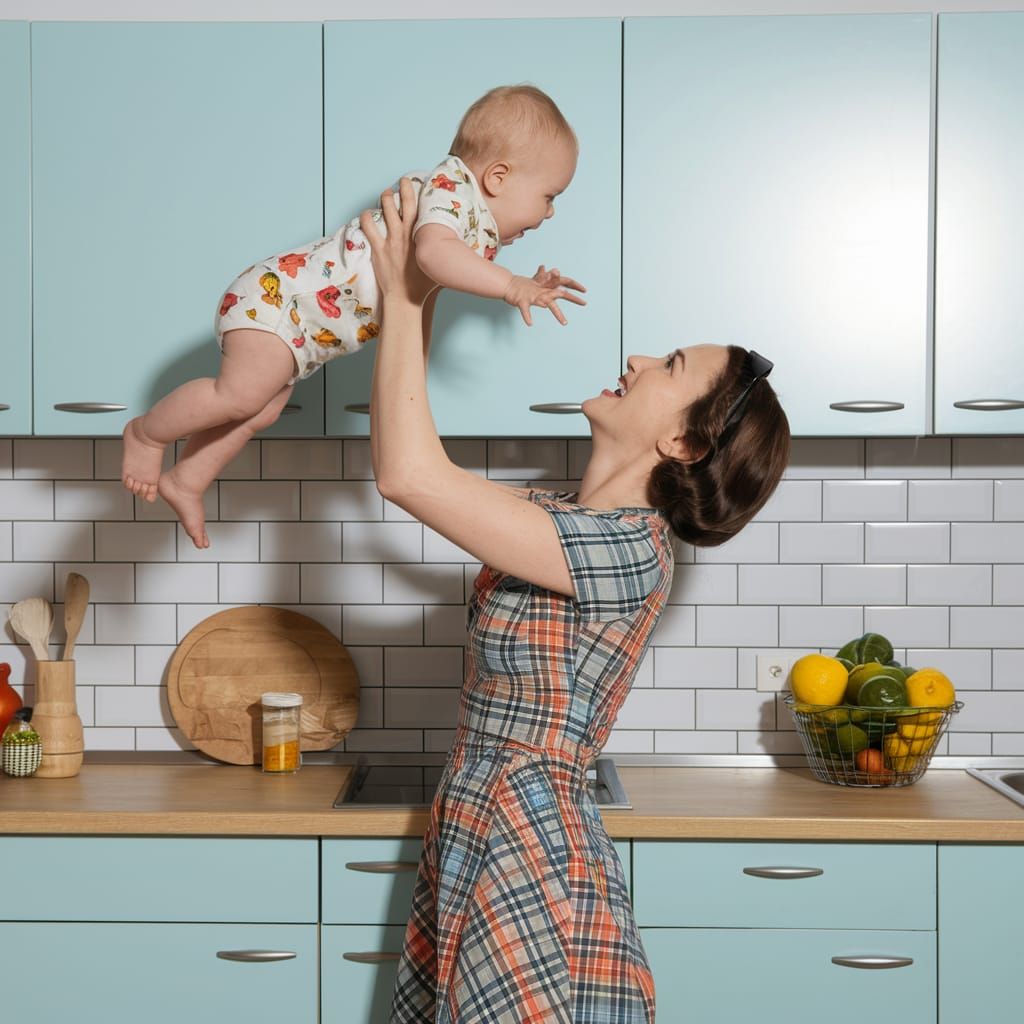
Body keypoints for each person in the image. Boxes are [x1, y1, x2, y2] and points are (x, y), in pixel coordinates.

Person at [362, 179, 791, 1023]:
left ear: (682, 441)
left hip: (528, 834)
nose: (635, 359)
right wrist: (420, 287)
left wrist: (405, 295)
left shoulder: (632, 551)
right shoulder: (558, 515)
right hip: (481, 818)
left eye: (667, 367)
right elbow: (426, 467)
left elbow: (406, 476)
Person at [120, 85, 584, 548]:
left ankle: (189, 478)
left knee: (260, 408)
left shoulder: (469, 220)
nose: (550, 212)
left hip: (303, 332)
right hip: (279, 302)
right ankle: (146, 434)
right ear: (498, 177)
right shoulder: (450, 188)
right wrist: (510, 284)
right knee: (240, 394)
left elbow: (438, 271)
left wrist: (527, 280)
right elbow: (433, 255)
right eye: (549, 195)